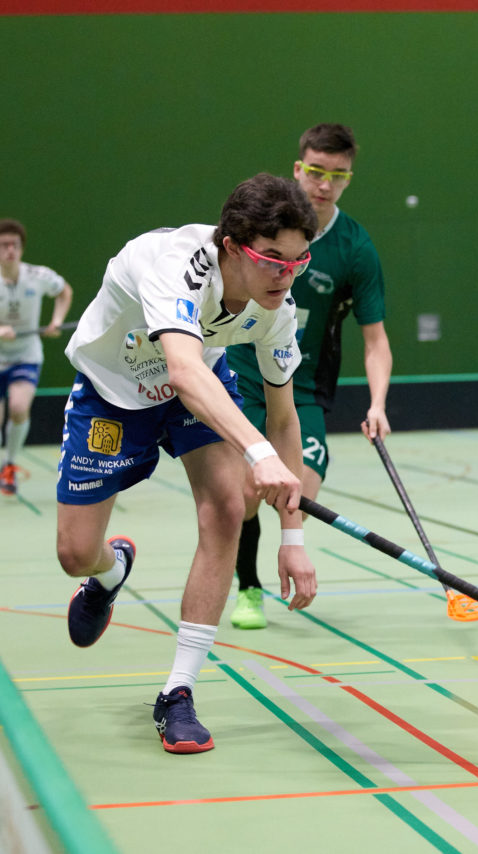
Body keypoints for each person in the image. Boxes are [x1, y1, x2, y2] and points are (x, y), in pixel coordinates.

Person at [56, 174, 320, 754]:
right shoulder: (177, 265)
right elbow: (182, 369)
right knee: (74, 553)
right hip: (114, 390)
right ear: (232, 246)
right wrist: (257, 454)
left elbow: (284, 419)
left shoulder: (277, 310)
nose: (285, 275)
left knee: (225, 508)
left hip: (199, 387)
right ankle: (110, 573)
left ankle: (178, 691)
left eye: (298, 261)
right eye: (272, 259)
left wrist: (293, 537)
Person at [226, 123, 392, 630]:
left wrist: (377, 404)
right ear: (298, 168)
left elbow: (375, 341)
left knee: (298, 495)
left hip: (304, 391)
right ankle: (249, 587)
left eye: (338, 175)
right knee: (244, 495)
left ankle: (287, 552)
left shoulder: (355, 248)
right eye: (316, 171)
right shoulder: (263, 225)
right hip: (241, 380)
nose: (325, 184)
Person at [0, 219, 73, 500]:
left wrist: (56, 321)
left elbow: (64, 291)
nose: (10, 250)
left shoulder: (38, 275)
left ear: (21, 249)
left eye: (15, 245)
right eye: (4, 245)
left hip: (26, 355)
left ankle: (9, 466)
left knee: (19, 407)